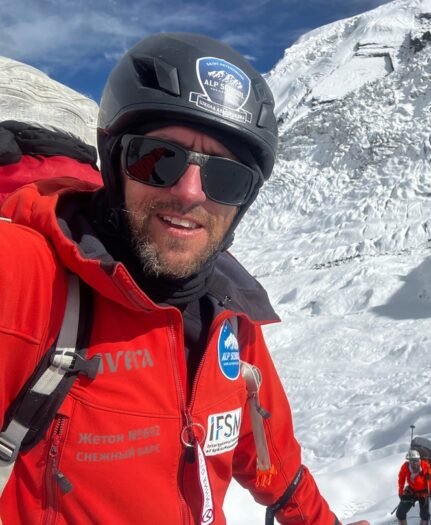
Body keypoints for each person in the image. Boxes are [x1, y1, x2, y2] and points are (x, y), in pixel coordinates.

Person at [0, 33, 342, 524]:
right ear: (115, 159)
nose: (189, 192)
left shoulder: (232, 323)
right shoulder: (26, 278)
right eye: (157, 158)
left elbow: (276, 471)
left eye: (226, 178)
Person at [396, 449, 431, 525]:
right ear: (409, 461)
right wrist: (401, 492)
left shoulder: (426, 468)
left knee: (425, 515)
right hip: (411, 491)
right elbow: (401, 479)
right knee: (400, 513)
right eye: (413, 460)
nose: (415, 463)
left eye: (417, 460)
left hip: (424, 493)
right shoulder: (406, 467)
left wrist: (430, 479)